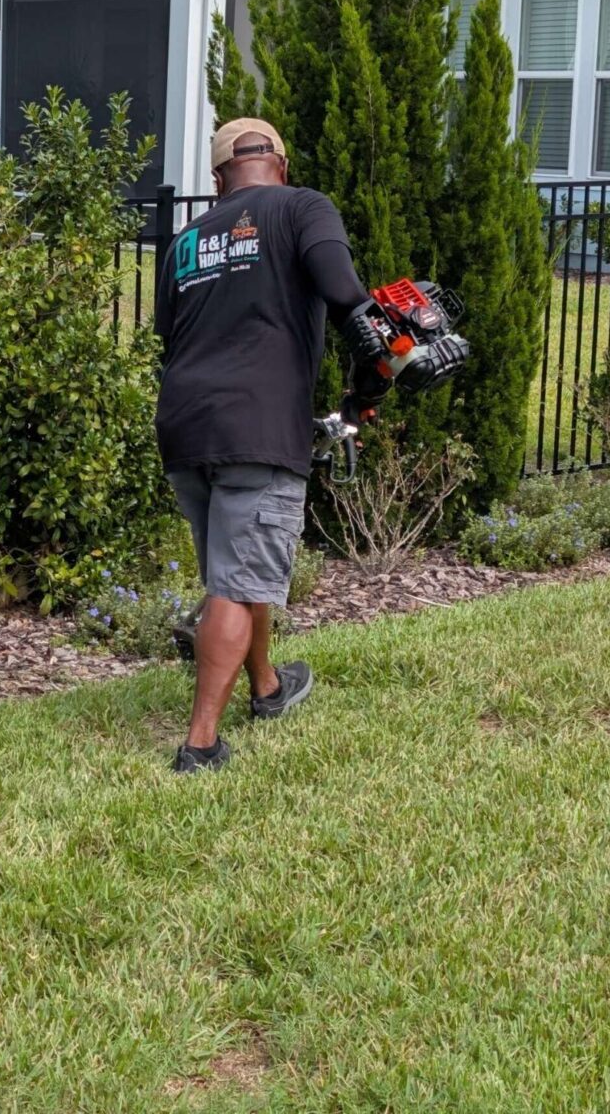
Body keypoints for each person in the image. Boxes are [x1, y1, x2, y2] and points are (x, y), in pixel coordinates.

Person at [153, 118, 392, 774]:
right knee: (236, 581)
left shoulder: (182, 243)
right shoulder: (303, 207)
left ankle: (267, 688)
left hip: (184, 424)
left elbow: (169, 340)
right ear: (281, 166)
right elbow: (347, 297)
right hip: (257, 426)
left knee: (234, 570)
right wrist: (373, 380)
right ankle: (201, 744)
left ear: (216, 180)